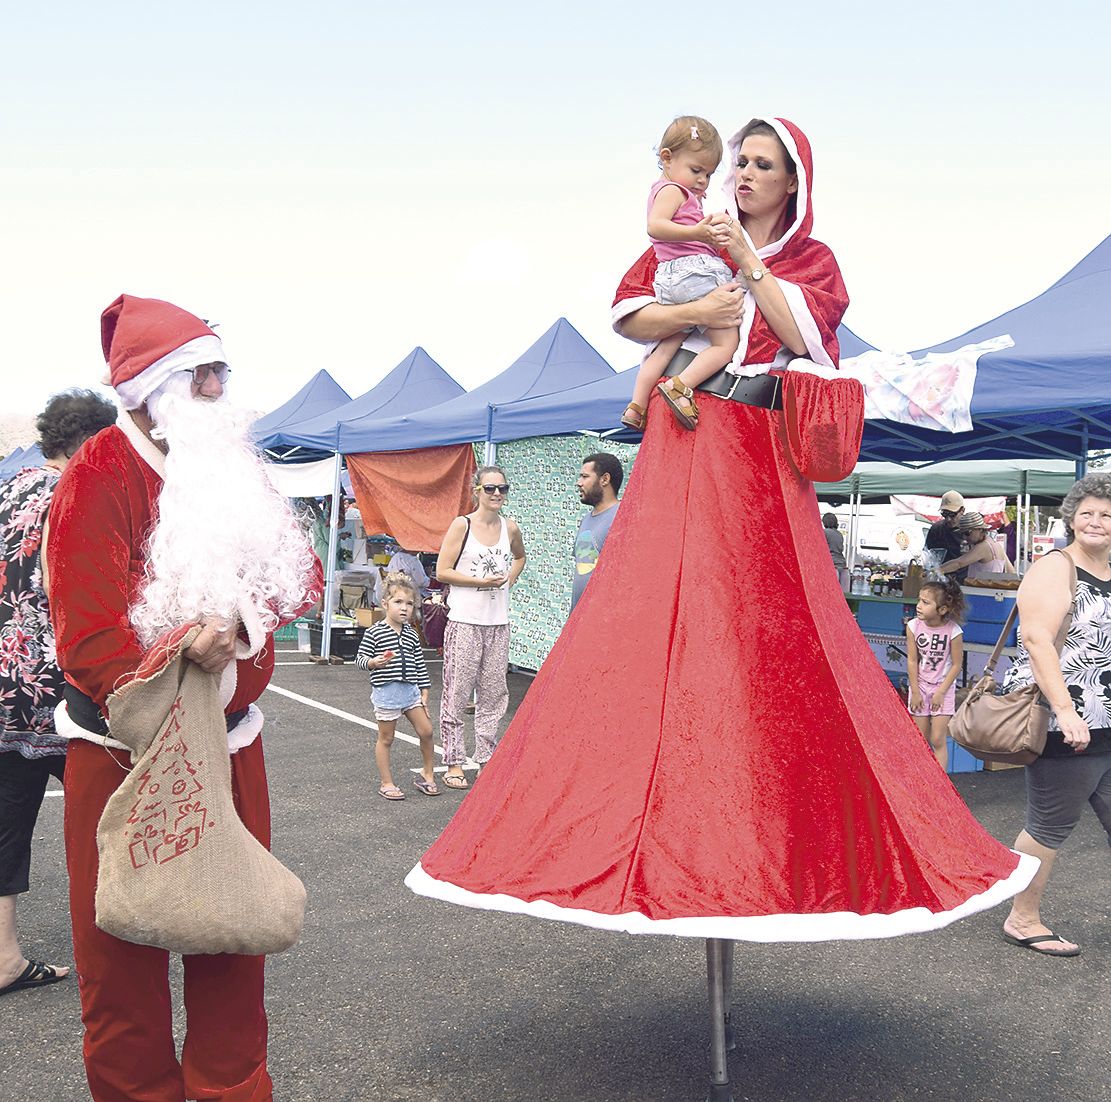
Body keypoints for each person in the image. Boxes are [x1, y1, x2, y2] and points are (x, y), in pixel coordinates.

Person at [406, 118, 1036, 943]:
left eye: (760, 165)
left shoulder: (811, 259)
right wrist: (699, 306)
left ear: (790, 185)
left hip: (765, 445)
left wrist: (742, 262)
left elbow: (813, 338)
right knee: (662, 609)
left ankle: (764, 807)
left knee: (771, 624)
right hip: (689, 422)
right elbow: (628, 315)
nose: (741, 174)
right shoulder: (688, 222)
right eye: (738, 160)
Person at [45, 294, 322, 1101]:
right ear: (155, 388)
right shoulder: (99, 472)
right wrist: (181, 651)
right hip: (121, 758)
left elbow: (288, 582)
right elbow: (90, 640)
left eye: (218, 371)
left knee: (233, 949)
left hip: (234, 748)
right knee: (121, 964)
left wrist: (233, 625)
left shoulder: (231, 466)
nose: (216, 389)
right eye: (200, 375)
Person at [0, 389, 117, 997]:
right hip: (64, 686)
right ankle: (120, 949)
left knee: (5, 821)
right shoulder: (80, 493)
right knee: (112, 819)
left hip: (1, 685)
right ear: (93, 443)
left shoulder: (6, 490)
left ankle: (3, 957)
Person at [999, 473, 1111, 958]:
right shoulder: (1054, 568)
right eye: (1087, 512)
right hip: (1064, 717)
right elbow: (1037, 640)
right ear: (1070, 519)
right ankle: (1022, 918)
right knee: (1050, 823)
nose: (1096, 521)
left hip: (1106, 716)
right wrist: (1065, 710)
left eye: (1107, 513)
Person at [621, 116, 738, 433]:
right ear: (667, 158)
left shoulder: (672, 189)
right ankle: (680, 385)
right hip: (694, 274)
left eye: (709, 174)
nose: (702, 181)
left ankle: (637, 405)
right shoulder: (673, 190)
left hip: (672, 281)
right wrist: (699, 231)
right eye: (696, 170)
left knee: (666, 344)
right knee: (725, 344)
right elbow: (654, 226)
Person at [434, 465, 526, 790]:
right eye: (490, 488)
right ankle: (454, 761)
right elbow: (442, 570)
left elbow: (519, 557)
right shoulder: (462, 525)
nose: (497, 493)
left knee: (493, 693)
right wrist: (478, 582)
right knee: (457, 691)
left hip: (498, 623)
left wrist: (509, 579)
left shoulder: (509, 527)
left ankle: (486, 756)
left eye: (503, 488)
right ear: (477, 490)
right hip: (464, 622)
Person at [355, 571, 437, 800]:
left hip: (410, 692)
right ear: (385, 603)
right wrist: (373, 662)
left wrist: (425, 690)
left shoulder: (411, 634)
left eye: (409, 604)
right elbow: (359, 660)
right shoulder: (375, 632)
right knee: (386, 738)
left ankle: (427, 774)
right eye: (398, 602)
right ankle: (386, 782)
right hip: (387, 693)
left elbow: (419, 663)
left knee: (427, 731)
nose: (404, 608)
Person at [905, 579, 966, 771]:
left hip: (943, 688)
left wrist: (941, 692)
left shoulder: (953, 631)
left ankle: (941, 785)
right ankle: (921, 781)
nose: (919, 606)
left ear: (942, 609)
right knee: (919, 740)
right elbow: (912, 660)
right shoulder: (913, 626)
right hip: (920, 686)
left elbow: (957, 665)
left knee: (938, 738)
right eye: (919, 600)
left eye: (926, 602)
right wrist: (915, 691)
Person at [571, 453, 623, 612]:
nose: (578, 483)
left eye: (585, 476)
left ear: (605, 479)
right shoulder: (586, 519)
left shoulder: (623, 517)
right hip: (578, 618)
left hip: (603, 620)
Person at [938, 511, 1016, 580]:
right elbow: (1011, 573)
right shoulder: (996, 545)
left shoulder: (983, 546)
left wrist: (938, 570)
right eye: (961, 534)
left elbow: (959, 563)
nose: (965, 538)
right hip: (993, 593)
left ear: (980, 530)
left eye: (967, 533)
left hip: (982, 593)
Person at [925, 490, 967, 581]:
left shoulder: (970, 531)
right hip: (941, 579)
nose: (948, 519)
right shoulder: (936, 529)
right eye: (944, 514)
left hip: (965, 581)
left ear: (962, 510)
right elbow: (927, 555)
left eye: (952, 514)